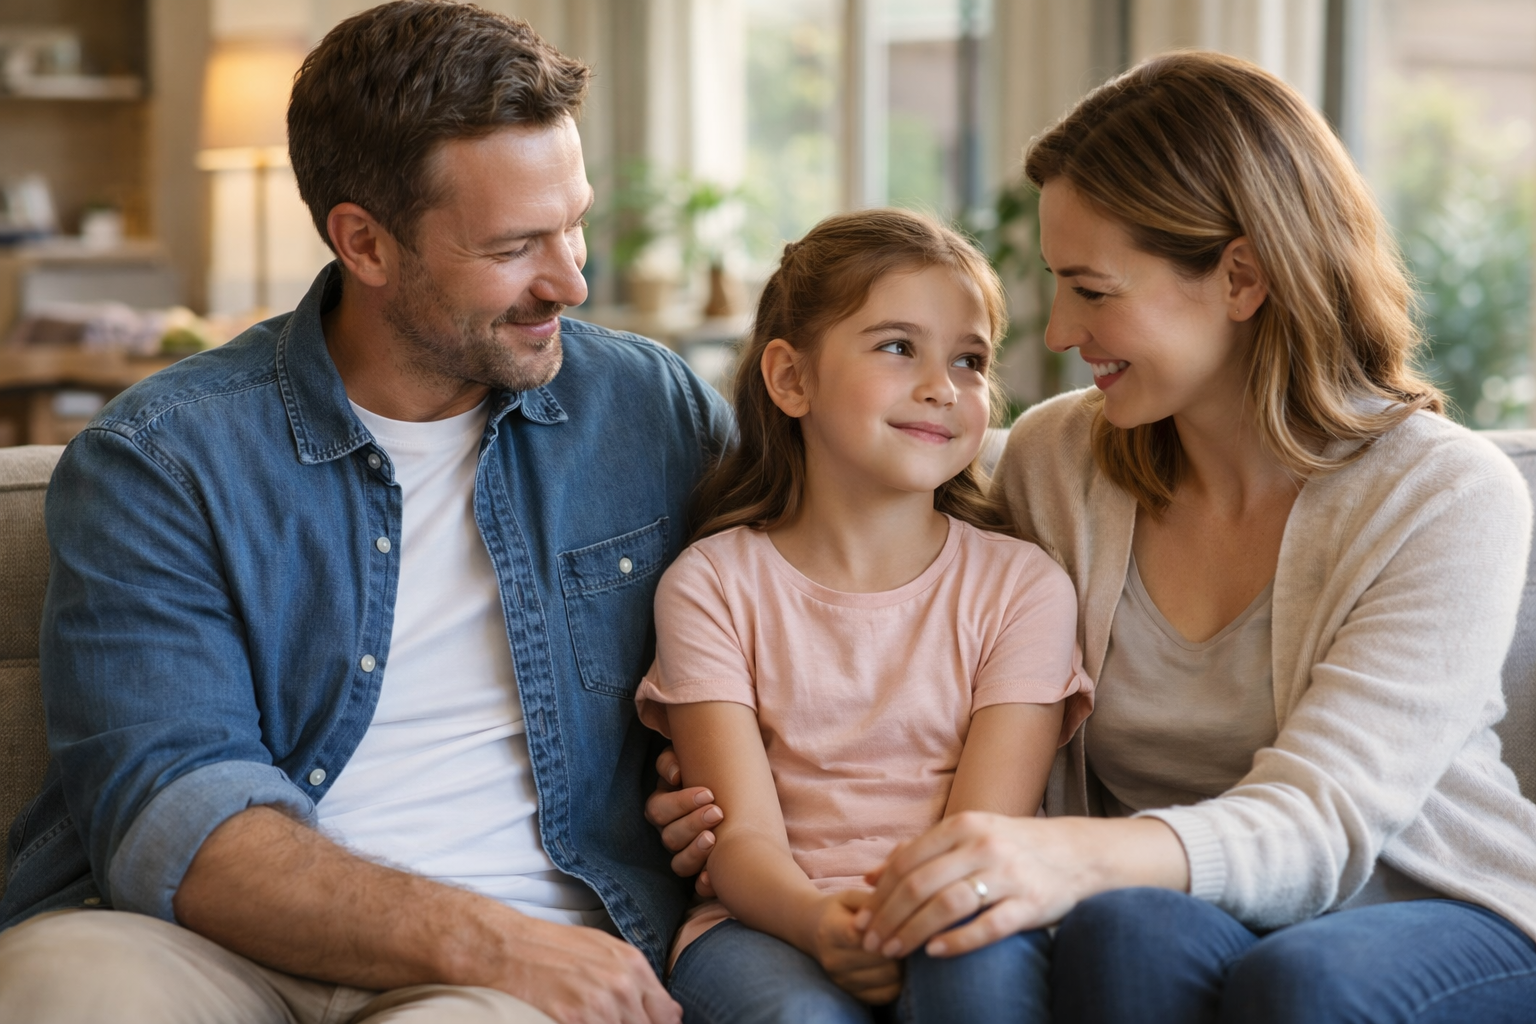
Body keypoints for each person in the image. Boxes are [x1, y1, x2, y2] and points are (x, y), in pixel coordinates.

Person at [652, 52, 1536, 1023]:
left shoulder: (1446, 495)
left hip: (1421, 906)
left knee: (1302, 979)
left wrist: (1061, 856)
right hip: (1182, 909)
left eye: (1094, 288)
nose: (1063, 330)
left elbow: (1324, 824)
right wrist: (730, 797)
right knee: (1124, 929)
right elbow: (891, 560)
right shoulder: (1059, 458)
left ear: (1240, 276)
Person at [0, 5, 728, 1023]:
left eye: (576, 223)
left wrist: (735, 788)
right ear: (365, 243)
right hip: (209, 945)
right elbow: (174, 812)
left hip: (502, 975)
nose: (572, 278)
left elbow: (812, 605)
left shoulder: (652, 409)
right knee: (57, 989)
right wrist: (499, 941)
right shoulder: (162, 458)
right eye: (517, 244)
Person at [634, 210, 1091, 1024]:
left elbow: (985, 834)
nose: (941, 386)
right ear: (790, 379)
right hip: (763, 923)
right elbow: (739, 845)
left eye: (970, 360)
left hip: (965, 906)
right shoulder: (710, 585)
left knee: (973, 989)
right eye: (895, 346)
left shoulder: (1025, 589)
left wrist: (897, 926)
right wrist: (820, 922)